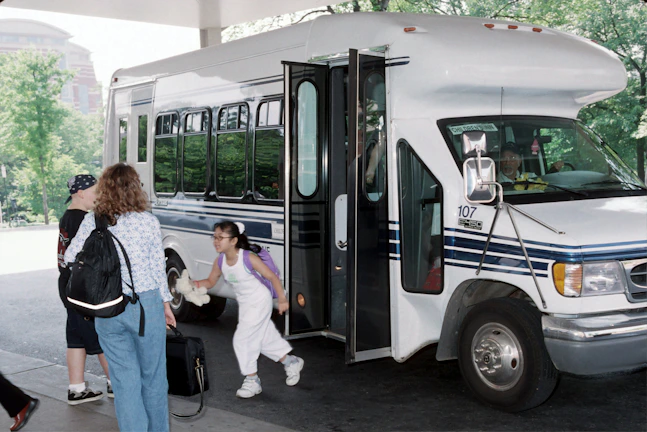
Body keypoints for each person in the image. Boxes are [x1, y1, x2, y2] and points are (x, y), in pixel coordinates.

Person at [64, 163, 176, 432]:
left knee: (124, 381)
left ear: (104, 189)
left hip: (108, 308)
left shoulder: (93, 220)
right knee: (154, 378)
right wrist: (166, 305)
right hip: (145, 306)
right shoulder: (148, 222)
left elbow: (70, 258)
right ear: (135, 188)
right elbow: (157, 269)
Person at [192, 221, 304, 399]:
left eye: (221, 237)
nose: (216, 241)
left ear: (234, 240)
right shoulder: (220, 261)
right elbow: (210, 282)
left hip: (259, 300)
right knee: (263, 339)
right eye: (214, 237)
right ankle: (291, 362)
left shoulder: (248, 258)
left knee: (242, 338)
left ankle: (252, 380)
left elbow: (271, 276)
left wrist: (282, 298)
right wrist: (194, 284)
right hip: (245, 304)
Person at [57, 174, 111, 405]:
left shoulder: (68, 217)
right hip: (83, 288)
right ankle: (117, 383)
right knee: (102, 337)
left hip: (68, 285)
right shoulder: (84, 220)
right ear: (80, 193)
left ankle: (77, 388)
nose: (99, 196)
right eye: (95, 191)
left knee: (76, 336)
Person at [497, 142, 563, 184]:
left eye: (512, 158)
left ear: (519, 161)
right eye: (504, 158)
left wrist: (552, 171)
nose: (507, 162)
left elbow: (544, 187)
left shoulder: (531, 178)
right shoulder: (495, 182)